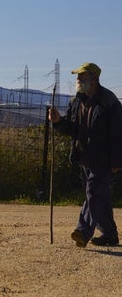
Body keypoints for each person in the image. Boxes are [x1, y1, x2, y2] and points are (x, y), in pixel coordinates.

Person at [49, 62, 121, 248]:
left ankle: (83, 231)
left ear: (95, 79)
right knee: (98, 198)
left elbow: (118, 134)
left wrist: (116, 161)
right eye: (78, 76)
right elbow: (72, 128)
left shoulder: (109, 102)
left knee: (93, 193)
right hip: (84, 158)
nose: (78, 79)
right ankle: (110, 235)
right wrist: (58, 122)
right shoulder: (77, 101)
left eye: (82, 76)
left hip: (103, 160)